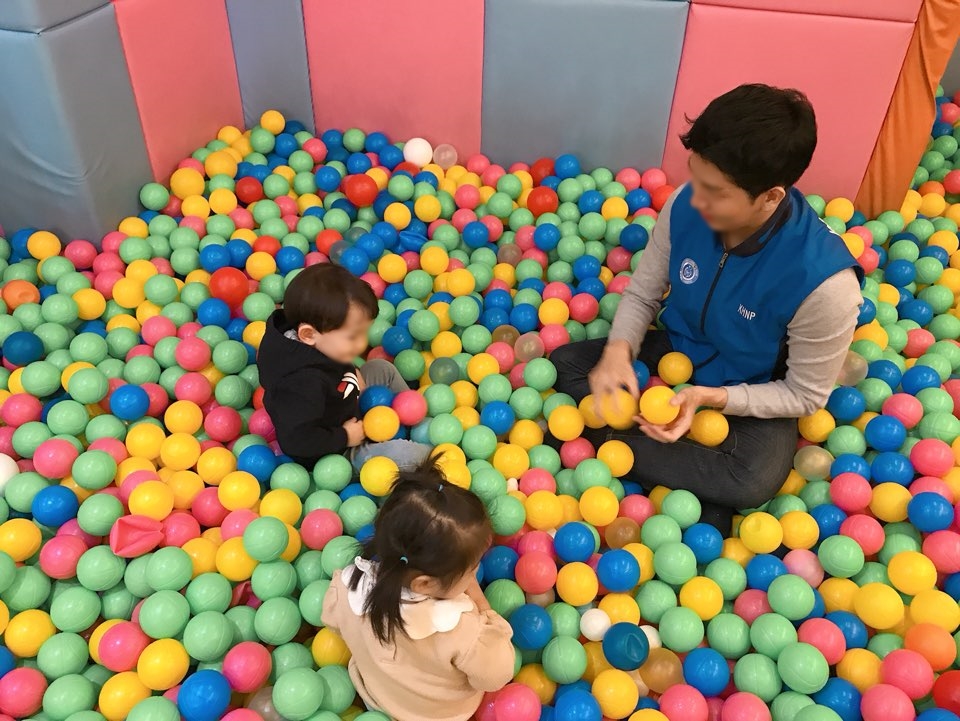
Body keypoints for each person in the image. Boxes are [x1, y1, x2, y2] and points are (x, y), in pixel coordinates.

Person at [551, 84, 864, 532]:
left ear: (771, 197)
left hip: (752, 384)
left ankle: (606, 443)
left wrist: (713, 399)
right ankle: (685, 477)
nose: (695, 199)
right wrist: (619, 352)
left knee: (752, 478)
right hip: (680, 348)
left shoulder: (826, 286)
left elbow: (804, 395)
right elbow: (643, 293)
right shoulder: (686, 204)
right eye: (695, 178)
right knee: (564, 365)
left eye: (715, 192)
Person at [321, 456, 515, 721]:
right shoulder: (459, 629)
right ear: (424, 583)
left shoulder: (349, 586)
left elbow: (333, 621)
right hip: (440, 715)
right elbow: (497, 675)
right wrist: (485, 609)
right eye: (471, 570)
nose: (475, 575)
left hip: (375, 695)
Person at [257, 262, 432, 470]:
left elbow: (327, 359)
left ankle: (415, 421)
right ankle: (431, 446)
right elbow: (297, 441)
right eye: (352, 337)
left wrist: (351, 371)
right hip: (335, 451)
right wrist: (345, 436)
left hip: (344, 401)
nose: (362, 344)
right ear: (308, 334)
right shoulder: (301, 384)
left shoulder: (318, 339)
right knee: (414, 456)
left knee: (381, 368)